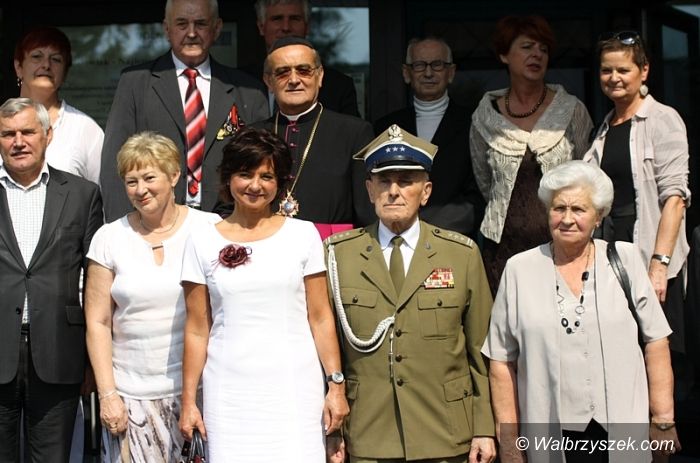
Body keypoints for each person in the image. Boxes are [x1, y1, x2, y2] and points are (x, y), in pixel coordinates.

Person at [482, 161, 680, 463]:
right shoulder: (519, 270)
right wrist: (509, 442)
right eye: (558, 208)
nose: (567, 219)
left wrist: (663, 419)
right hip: (550, 439)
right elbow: (500, 359)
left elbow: (656, 341)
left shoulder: (626, 259)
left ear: (598, 216)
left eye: (578, 209)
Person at [326, 124, 496, 462]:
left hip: (446, 433)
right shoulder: (337, 255)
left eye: (406, 181)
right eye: (384, 182)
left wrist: (484, 428)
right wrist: (332, 430)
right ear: (369, 190)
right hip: (368, 434)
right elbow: (326, 350)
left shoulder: (460, 254)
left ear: (426, 191)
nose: (394, 191)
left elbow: (481, 352)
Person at [179, 127, 349, 462]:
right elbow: (197, 328)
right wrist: (188, 401)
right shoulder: (201, 240)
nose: (255, 185)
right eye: (245, 174)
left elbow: (320, 317)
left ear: (280, 182)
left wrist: (336, 386)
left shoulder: (303, 235)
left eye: (266, 176)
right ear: (228, 178)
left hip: (295, 388)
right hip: (228, 392)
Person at [84, 132, 220, 461]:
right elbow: (98, 322)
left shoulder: (209, 228)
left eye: (149, 178)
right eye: (131, 182)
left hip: (199, 393)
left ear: (174, 176)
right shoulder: (109, 237)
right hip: (131, 398)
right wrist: (108, 394)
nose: (140, 189)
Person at [100, 0, 269, 221]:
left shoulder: (247, 90)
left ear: (217, 28)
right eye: (182, 24)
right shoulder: (135, 83)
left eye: (200, 23)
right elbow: (115, 164)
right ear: (166, 29)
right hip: (154, 224)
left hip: (228, 223)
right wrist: (124, 229)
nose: (191, 33)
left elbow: (263, 166)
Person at [0, 97, 103, 462]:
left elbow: (96, 282)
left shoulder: (82, 195)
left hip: (60, 350)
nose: (18, 141)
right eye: (8, 134)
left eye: (28, 132)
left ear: (48, 135)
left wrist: (93, 359)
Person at [583, 31, 690, 355]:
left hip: (650, 254)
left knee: (659, 354)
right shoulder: (603, 129)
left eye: (623, 70)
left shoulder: (662, 119)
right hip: (613, 255)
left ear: (644, 71)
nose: (613, 77)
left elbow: (675, 199)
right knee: (622, 354)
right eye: (606, 70)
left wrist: (659, 263)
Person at [470, 15, 593, 295]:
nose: (537, 54)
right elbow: (484, 181)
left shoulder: (571, 110)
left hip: (564, 247)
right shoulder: (485, 115)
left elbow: (587, 176)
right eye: (527, 47)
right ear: (504, 55)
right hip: (503, 251)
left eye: (543, 49)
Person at [254, 36, 375, 238]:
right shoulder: (253, 135)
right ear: (268, 81)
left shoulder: (354, 132)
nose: (294, 80)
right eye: (282, 72)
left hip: (332, 249)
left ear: (320, 76)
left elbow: (367, 212)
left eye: (304, 70)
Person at [374, 36, 484, 238]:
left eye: (437, 65)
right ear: (406, 73)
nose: (428, 73)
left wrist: (424, 230)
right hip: (395, 238)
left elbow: (477, 195)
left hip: (453, 238)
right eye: (419, 65)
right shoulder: (385, 128)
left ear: (451, 72)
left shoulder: (474, 124)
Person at [13, 26, 104, 184]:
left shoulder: (85, 129)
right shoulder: (2, 122)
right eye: (36, 57)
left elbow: (105, 193)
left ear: (65, 73)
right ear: (19, 67)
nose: (46, 65)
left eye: (56, 59)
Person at [250, 0, 360, 117]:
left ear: (307, 26)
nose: (286, 27)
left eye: (294, 19)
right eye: (277, 19)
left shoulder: (339, 86)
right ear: (261, 27)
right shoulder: (241, 83)